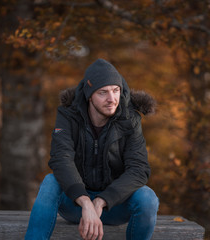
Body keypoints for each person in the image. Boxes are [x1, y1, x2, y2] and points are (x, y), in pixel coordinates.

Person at [25, 59, 159, 240]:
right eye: (103, 92)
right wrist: (85, 201)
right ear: (89, 95)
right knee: (50, 182)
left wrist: (102, 201)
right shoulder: (68, 116)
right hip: (76, 204)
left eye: (116, 90)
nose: (112, 99)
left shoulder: (130, 120)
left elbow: (139, 169)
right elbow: (61, 159)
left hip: (113, 205)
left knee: (147, 198)